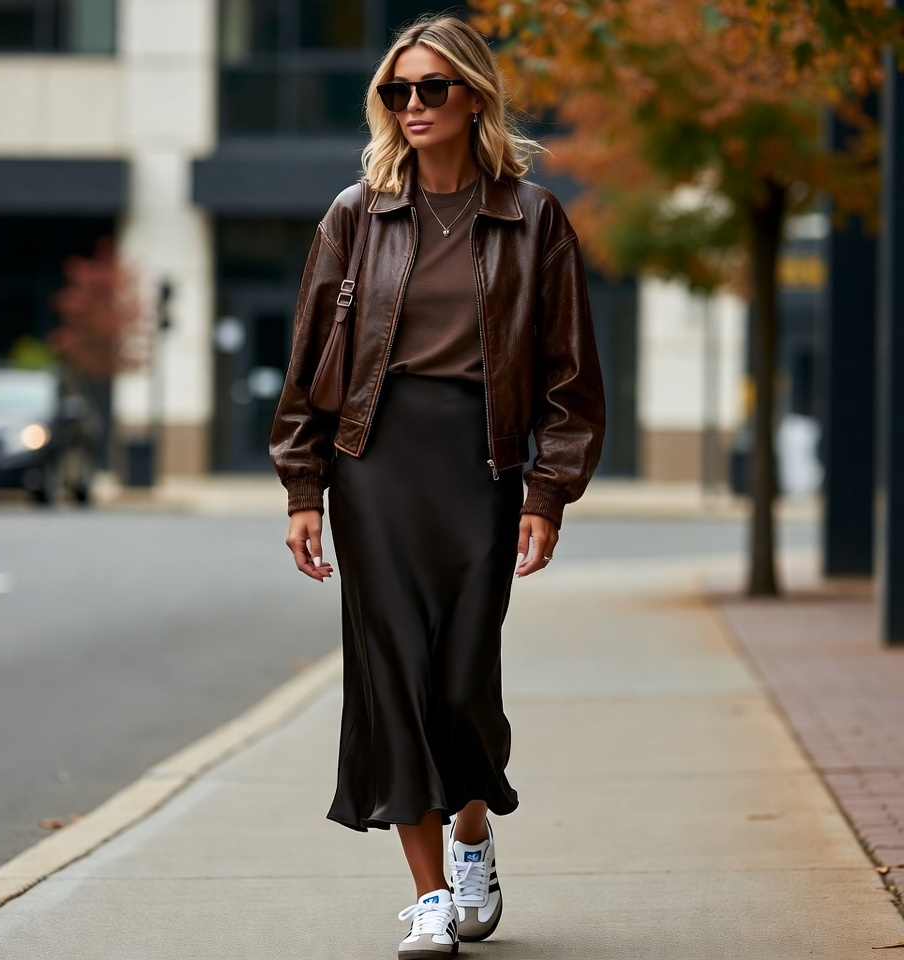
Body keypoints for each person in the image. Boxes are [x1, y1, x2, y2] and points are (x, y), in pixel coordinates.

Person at [270, 14, 604, 958]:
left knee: (461, 678)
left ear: (474, 98)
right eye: (396, 92)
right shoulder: (355, 213)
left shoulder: (534, 217)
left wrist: (547, 495)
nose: (412, 107)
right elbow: (308, 364)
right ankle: (428, 897)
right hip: (371, 460)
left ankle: (471, 834)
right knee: (396, 675)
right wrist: (303, 486)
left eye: (431, 89)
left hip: (481, 465)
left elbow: (571, 377)